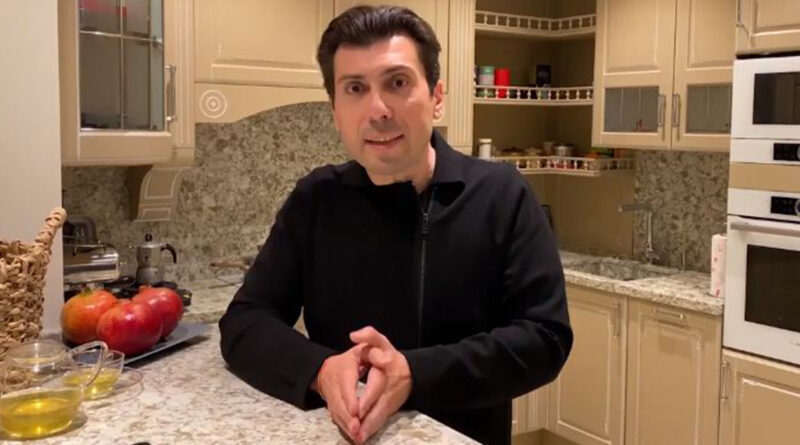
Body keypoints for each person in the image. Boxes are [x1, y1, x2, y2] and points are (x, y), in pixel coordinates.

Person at [219, 5, 572, 445]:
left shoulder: (501, 195)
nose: (378, 109)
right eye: (355, 88)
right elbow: (245, 321)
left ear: (437, 97)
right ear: (335, 110)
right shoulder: (317, 199)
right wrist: (320, 370)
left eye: (398, 83)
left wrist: (414, 373)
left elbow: (545, 338)